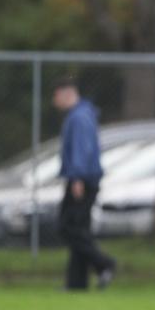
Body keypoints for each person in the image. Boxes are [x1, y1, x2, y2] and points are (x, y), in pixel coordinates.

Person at [52, 77, 116, 290]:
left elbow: (81, 149)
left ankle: (104, 264)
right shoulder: (83, 114)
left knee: (68, 228)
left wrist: (76, 177)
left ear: (66, 93)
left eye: (56, 96)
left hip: (82, 180)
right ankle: (76, 283)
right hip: (84, 178)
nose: (55, 101)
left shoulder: (79, 117)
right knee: (80, 229)